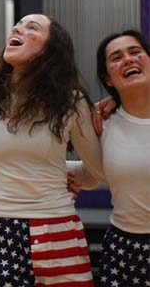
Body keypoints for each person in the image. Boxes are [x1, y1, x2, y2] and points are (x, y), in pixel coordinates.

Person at [0, 13, 102, 287]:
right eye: (18, 24)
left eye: (32, 27)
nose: (17, 28)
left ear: (51, 50)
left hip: (58, 227)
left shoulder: (71, 102)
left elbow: (97, 172)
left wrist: (62, 171)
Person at [68, 29, 149, 286]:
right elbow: (94, 174)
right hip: (124, 249)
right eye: (116, 57)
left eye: (135, 52)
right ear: (108, 79)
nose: (128, 59)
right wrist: (55, 175)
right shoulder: (100, 123)